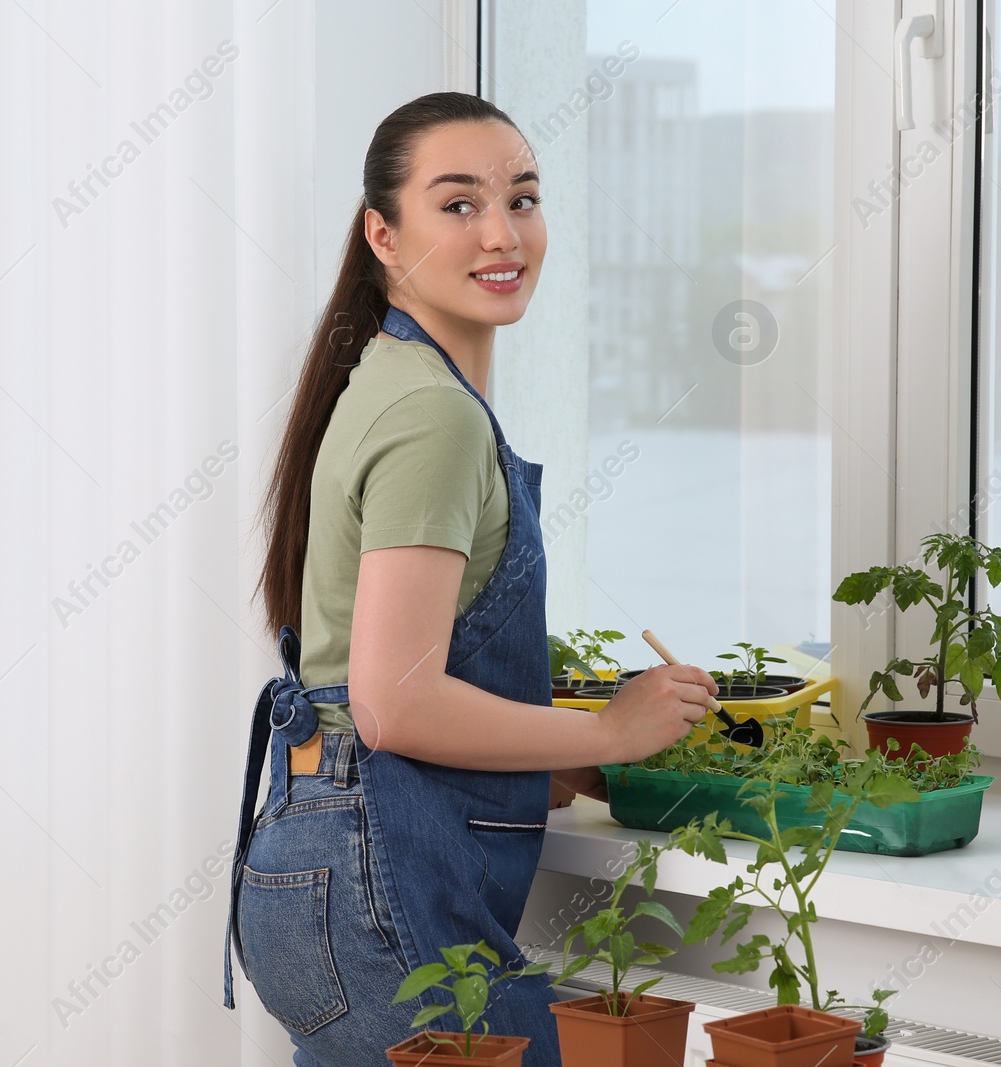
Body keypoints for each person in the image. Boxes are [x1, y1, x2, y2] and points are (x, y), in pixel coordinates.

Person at [222, 91, 717, 1067]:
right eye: (457, 204)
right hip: (372, 888)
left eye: (522, 198)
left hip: (319, 868)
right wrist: (608, 728)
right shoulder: (433, 418)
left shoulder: (391, 380)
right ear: (383, 233)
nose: (502, 232)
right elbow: (393, 704)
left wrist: (541, 750)